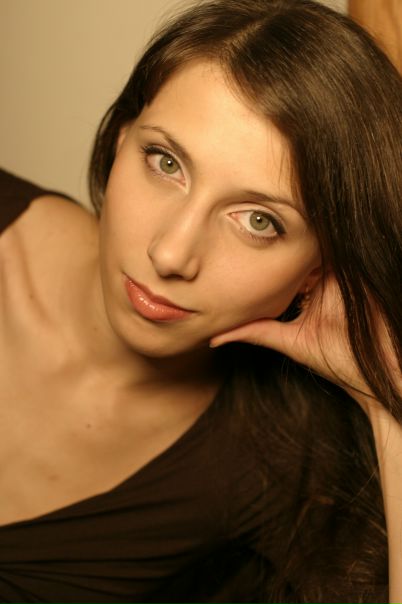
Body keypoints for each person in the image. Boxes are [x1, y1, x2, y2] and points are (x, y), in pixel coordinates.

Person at [0, 0, 401, 602]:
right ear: (120, 139)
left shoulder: (276, 462)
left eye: (259, 220)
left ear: (314, 273)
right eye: (166, 163)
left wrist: (387, 402)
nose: (171, 254)